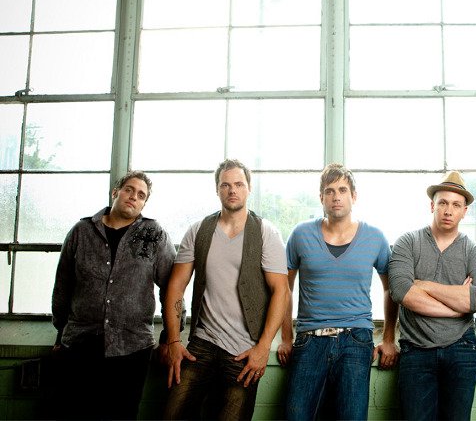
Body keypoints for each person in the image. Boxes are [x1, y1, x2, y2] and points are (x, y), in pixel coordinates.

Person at [163, 159, 290, 421]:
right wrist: (174, 341)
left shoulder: (266, 232)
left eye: (239, 184)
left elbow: (282, 291)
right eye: (225, 185)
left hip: (244, 351)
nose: (232, 190)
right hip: (201, 344)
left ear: (249, 188)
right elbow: (176, 285)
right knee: (172, 414)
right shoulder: (198, 230)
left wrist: (263, 347)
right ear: (217, 189)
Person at [277, 163, 399, 420]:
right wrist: (286, 338)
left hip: (356, 340)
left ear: (354, 196)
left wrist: (388, 339)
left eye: (342, 190)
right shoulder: (300, 234)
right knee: (295, 415)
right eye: (329, 191)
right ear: (321, 197)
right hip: (309, 340)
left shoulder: (375, 237)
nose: (336, 197)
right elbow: (284, 288)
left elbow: (390, 289)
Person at [51, 170, 176, 420]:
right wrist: (60, 332)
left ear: (144, 204)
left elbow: (172, 289)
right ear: (115, 192)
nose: (134, 197)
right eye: (129, 190)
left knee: (122, 414)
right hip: (80, 344)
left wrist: (168, 338)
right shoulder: (81, 231)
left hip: (132, 348)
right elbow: (63, 285)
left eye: (141, 195)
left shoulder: (154, 234)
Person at [388, 170, 476, 421]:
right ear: (432, 205)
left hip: (462, 348)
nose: (448, 210)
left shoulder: (474, 251)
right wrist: (457, 306)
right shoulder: (407, 242)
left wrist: (423, 285)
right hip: (416, 348)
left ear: (464, 211)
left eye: (456, 205)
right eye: (443, 203)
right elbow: (401, 291)